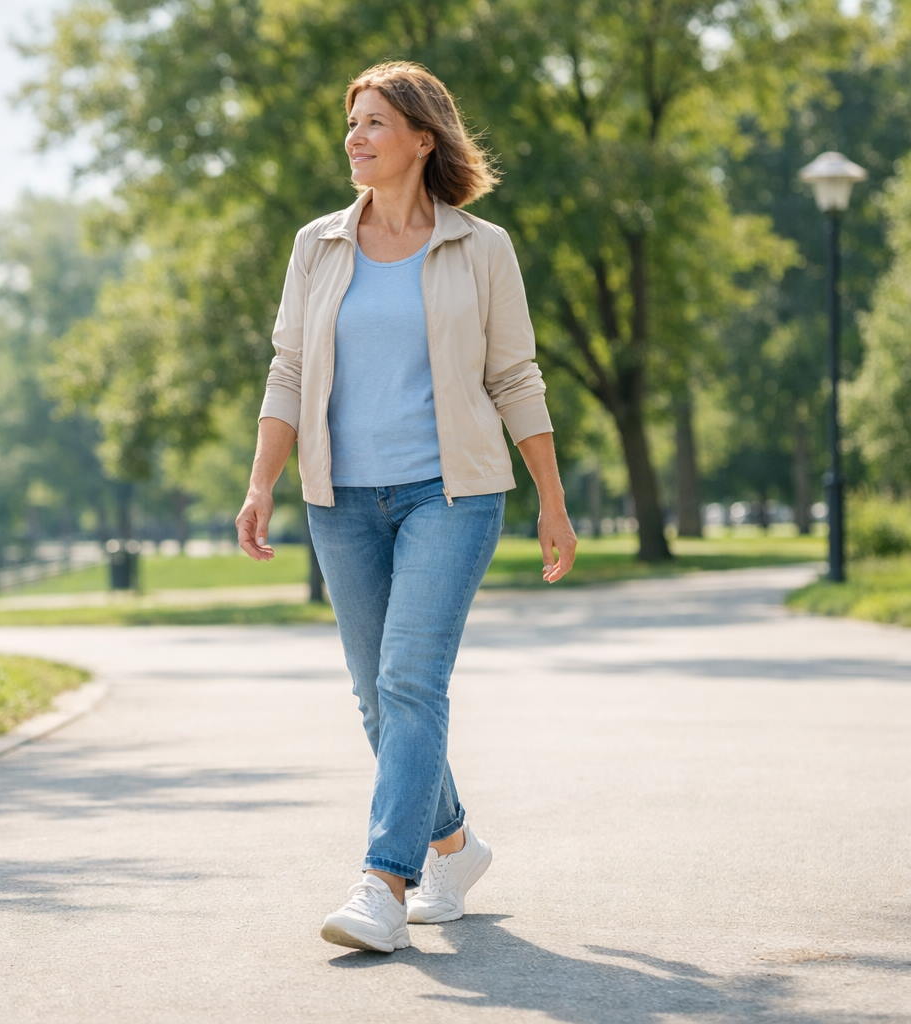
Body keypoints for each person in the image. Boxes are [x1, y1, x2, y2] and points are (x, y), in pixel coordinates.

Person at [235, 60, 577, 954]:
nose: (356, 138)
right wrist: (262, 479)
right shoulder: (318, 246)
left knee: (409, 681)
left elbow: (514, 374)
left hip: (450, 492)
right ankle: (455, 847)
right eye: (352, 123)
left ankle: (385, 882)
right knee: (376, 699)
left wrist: (551, 498)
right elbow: (290, 369)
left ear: (423, 138)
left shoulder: (481, 247)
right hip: (340, 496)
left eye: (375, 122)